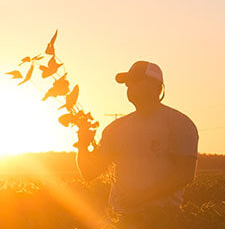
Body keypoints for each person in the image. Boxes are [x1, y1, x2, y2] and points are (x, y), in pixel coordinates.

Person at [76, 60, 200, 215]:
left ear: (156, 87)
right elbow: (90, 172)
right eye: (128, 85)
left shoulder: (179, 124)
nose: (130, 88)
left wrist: (141, 197)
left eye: (136, 82)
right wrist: (82, 145)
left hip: (165, 220)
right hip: (123, 219)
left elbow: (185, 174)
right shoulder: (115, 129)